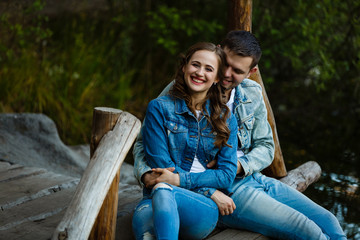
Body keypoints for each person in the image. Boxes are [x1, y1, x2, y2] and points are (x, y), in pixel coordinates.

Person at [133, 31, 347, 239]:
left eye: (236, 70)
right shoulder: (185, 86)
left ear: (251, 71)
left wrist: (237, 165)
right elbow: (147, 142)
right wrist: (147, 175)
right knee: (306, 229)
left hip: (248, 175)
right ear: (218, 51)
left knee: (329, 220)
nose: (226, 74)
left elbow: (266, 146)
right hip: (226, 188)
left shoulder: (250, 94)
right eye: (224, 64)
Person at [132, 42, 239, 240]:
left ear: (216, 78)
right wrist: (210, 191)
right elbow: (162, 168)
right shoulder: (159, 108)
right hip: (158, 199)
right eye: (195, 65)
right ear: (184, 67)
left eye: (208, 69)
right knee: (147, 226)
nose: (200, 72)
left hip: (201, 208)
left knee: (164, 189)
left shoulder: (226, 118)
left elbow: (226, 176)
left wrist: (184, 184)